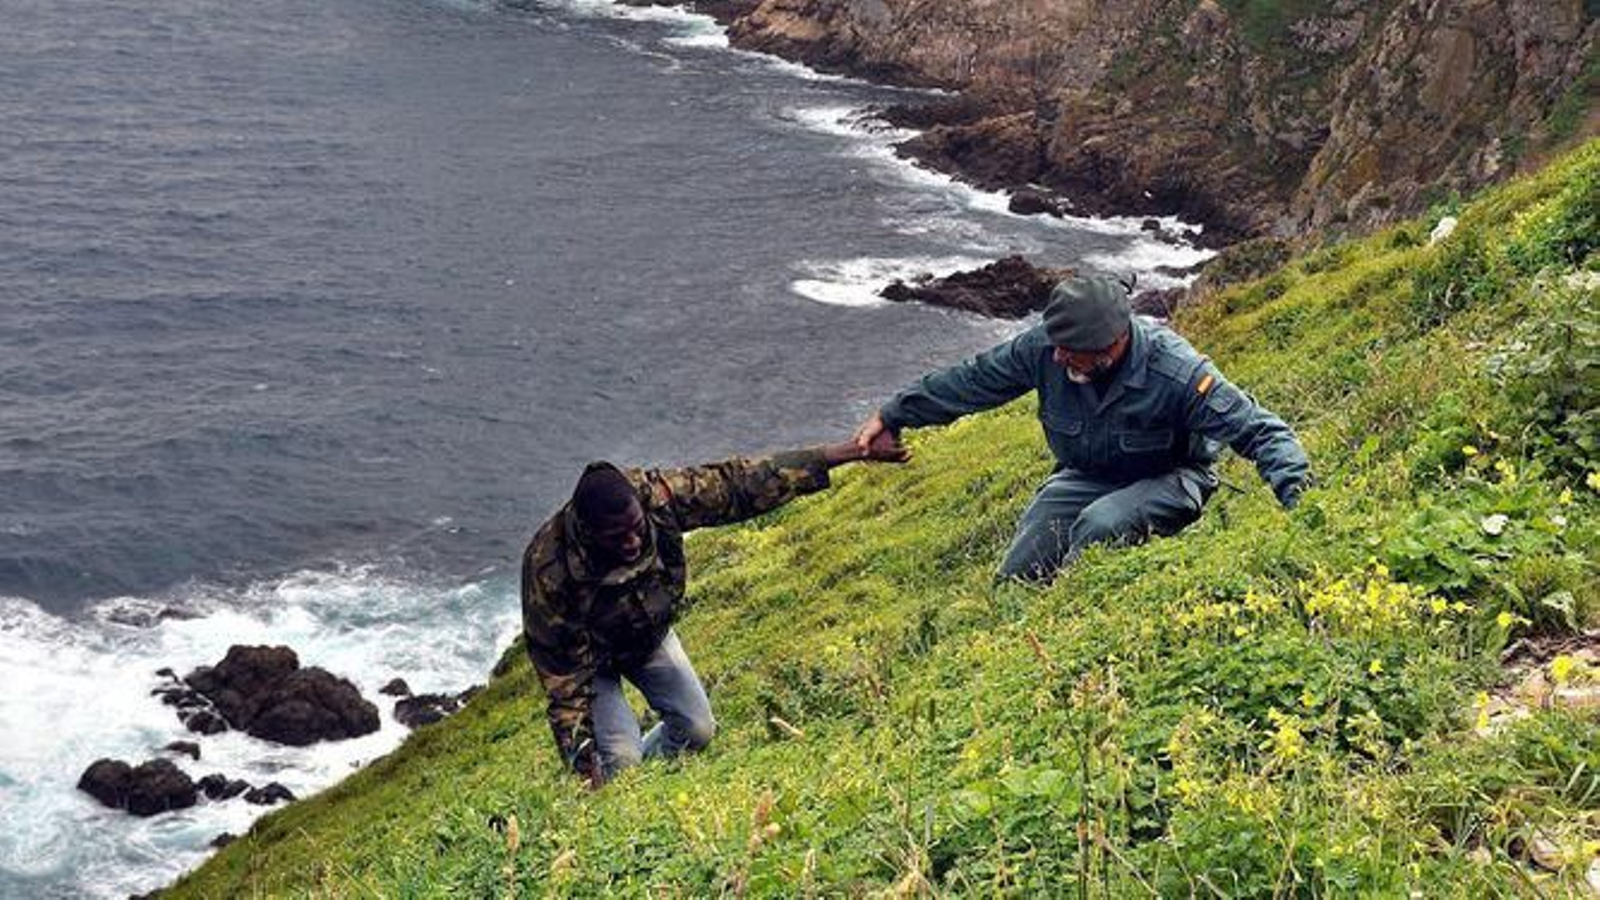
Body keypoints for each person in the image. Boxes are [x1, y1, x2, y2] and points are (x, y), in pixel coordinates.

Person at [855, 274, 1310, 583]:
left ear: (1113, 343)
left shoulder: (1179, 372)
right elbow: (974, 380)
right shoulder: (1046, 348)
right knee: (1017, 575)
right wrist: (896, 414)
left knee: (1099, 525)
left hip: (1173, 478)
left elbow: (1260, 431)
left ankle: (1070, 627)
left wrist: (1306, 509)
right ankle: (1014, 645)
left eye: (1071, 350)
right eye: (1055, 345)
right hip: (1085, 476)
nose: (1057, 358)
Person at [521, 439, 906, 786]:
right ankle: (621, 794)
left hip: (648, 636)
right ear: (588, 531)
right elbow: (563, 679)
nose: (632, 542)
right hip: (592, 664)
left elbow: (740, 482)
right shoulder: (548, 567)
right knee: (619, 762)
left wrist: (855, 451)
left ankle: (641, 782)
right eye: (616, 537)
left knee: (697, 729)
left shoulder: (660, 497)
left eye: (636, 529)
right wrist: (585, 764)